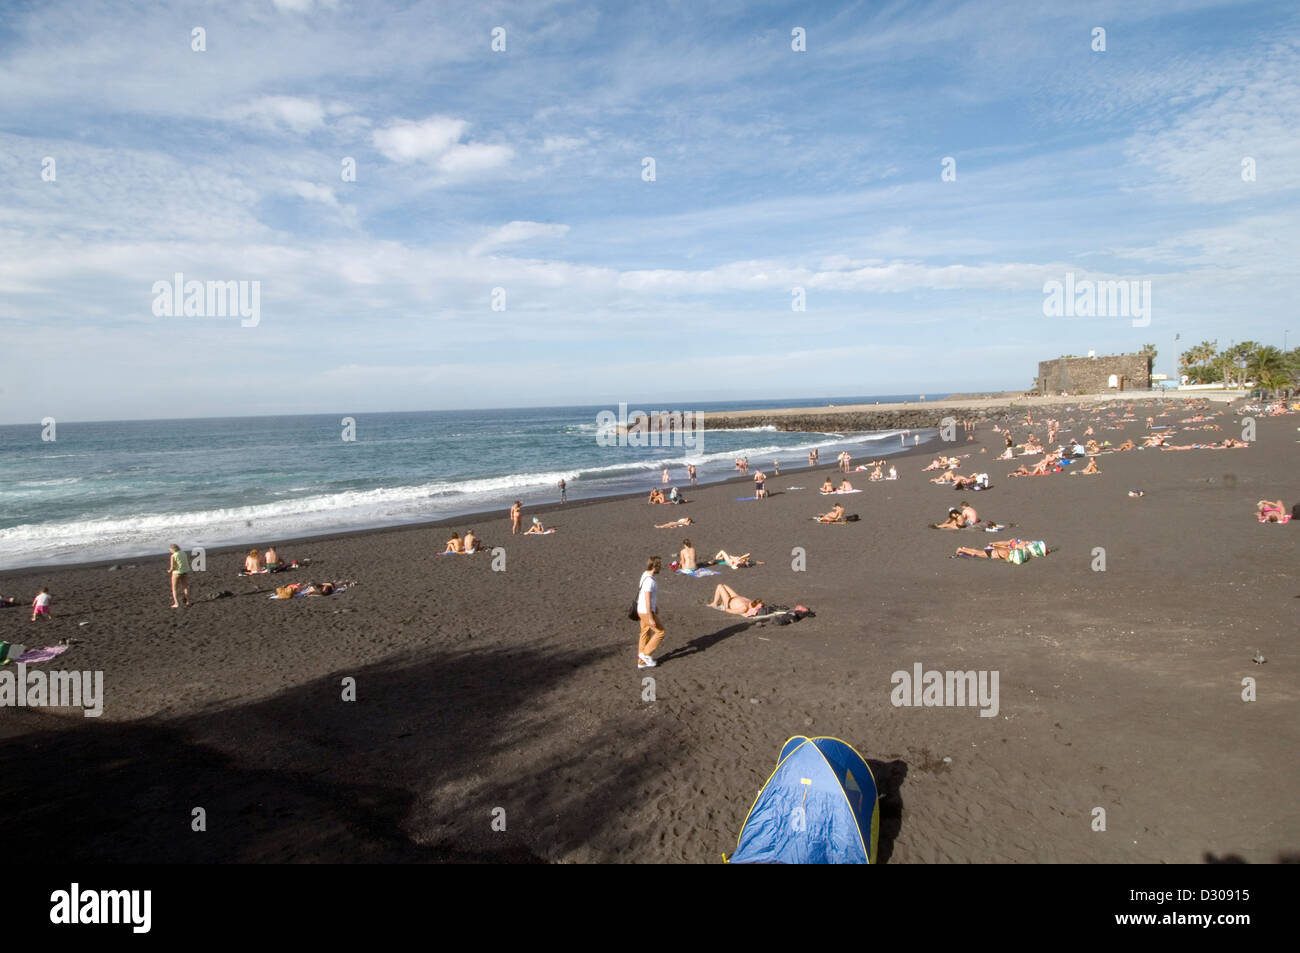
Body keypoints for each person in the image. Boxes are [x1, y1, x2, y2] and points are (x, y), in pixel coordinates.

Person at [636, 556, 665, 669]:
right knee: (660, 632)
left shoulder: (645, 574)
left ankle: (641, 662)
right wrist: (651, 616)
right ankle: (645, 655)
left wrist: (655, 606)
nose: (660, 568)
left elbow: (645, 596)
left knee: (645, 632)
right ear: (655, 566)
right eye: (659, 566)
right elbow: (647, 599)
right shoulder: (649, 581)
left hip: (640, 609)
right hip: (646, 611)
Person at [168, 543, 191, 609]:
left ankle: (176, 603)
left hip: (177, 573)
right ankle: (188, 601)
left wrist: (169, 571)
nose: (170, 551)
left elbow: (172, 568)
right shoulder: (183, 553)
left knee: (174, 589)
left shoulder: (173, 556)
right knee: (185, 587)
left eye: (170, 550)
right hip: (185, 571)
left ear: (172, 549)